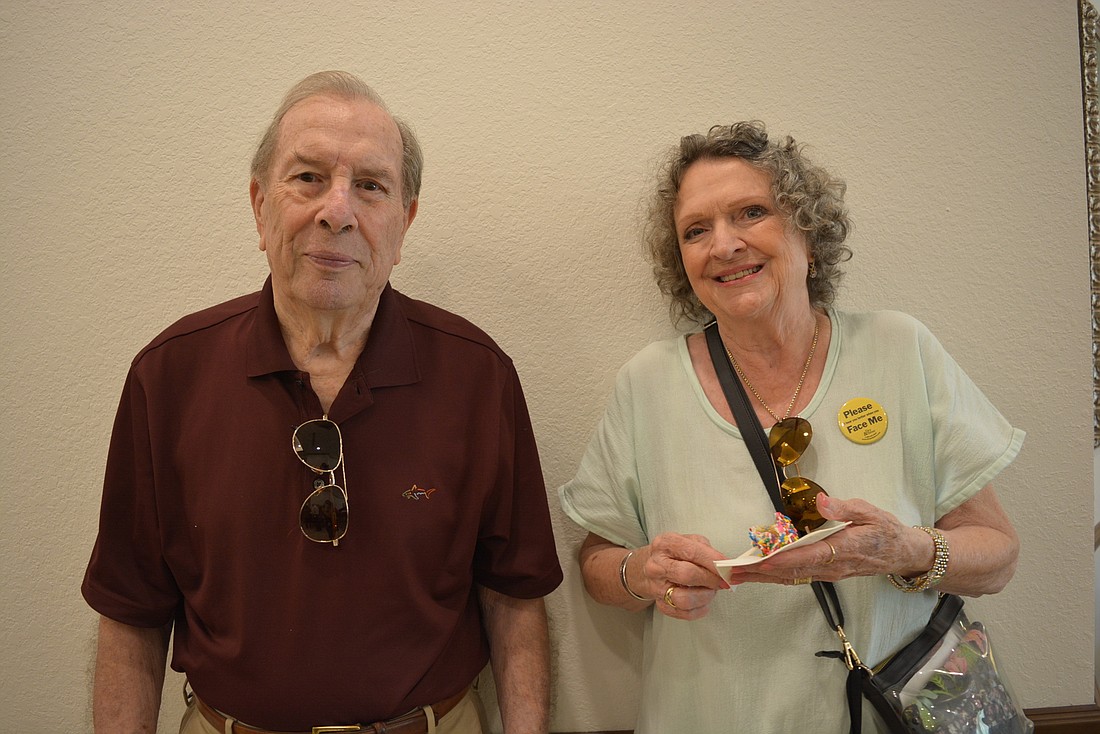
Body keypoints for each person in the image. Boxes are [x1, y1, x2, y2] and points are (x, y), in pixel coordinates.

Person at [82, 70, 563, 734]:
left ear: (404, 220)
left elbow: (514, 597)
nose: (337, 211)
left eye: (370, 186)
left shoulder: (478, 376)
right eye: (307, 178)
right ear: (259, 206)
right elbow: (131, 614)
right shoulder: (168, 376)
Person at [559, 121, 1023, 733]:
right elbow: (596, 562)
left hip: (894, 713)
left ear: (807, 228)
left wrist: (901, 549)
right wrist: (644, 572)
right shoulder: (647, 384)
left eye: (751, 213)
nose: (723, 244)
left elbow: (998, 555)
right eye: (696, 230)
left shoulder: (899, 349)